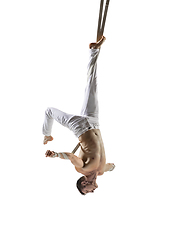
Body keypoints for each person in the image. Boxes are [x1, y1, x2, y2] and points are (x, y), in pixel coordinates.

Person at [42, 36, 115, 195]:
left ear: (83, 184)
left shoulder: (81, 169)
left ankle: (46, 135)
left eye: (87, 191)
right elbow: (111, 166)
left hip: (80, 127)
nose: (92, 191)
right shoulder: (101, 171)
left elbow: (70, 156)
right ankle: (94, 50)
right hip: (94, 122)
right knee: (92, 85)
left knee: (49, 111)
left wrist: (55, 155)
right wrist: (112, 168)